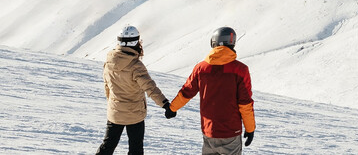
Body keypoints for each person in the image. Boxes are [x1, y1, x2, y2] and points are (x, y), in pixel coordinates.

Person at [170, 26, 257, 154]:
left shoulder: (201, 68)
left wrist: (172, 108)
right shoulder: (240, 70)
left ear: (213, 42)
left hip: (209, 131)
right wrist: (250, 129)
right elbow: (245, 103)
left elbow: (187, 92)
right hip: (231, 132)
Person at [97, 26, 174, 155]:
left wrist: (113, 104)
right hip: (134, 114)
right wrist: (165, 104)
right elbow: (150, 87)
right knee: (135, 149)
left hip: (115, 112)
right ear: (136, 42)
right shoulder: (135, 66)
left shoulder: (109, 61)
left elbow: (107, 87)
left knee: (108, 145)